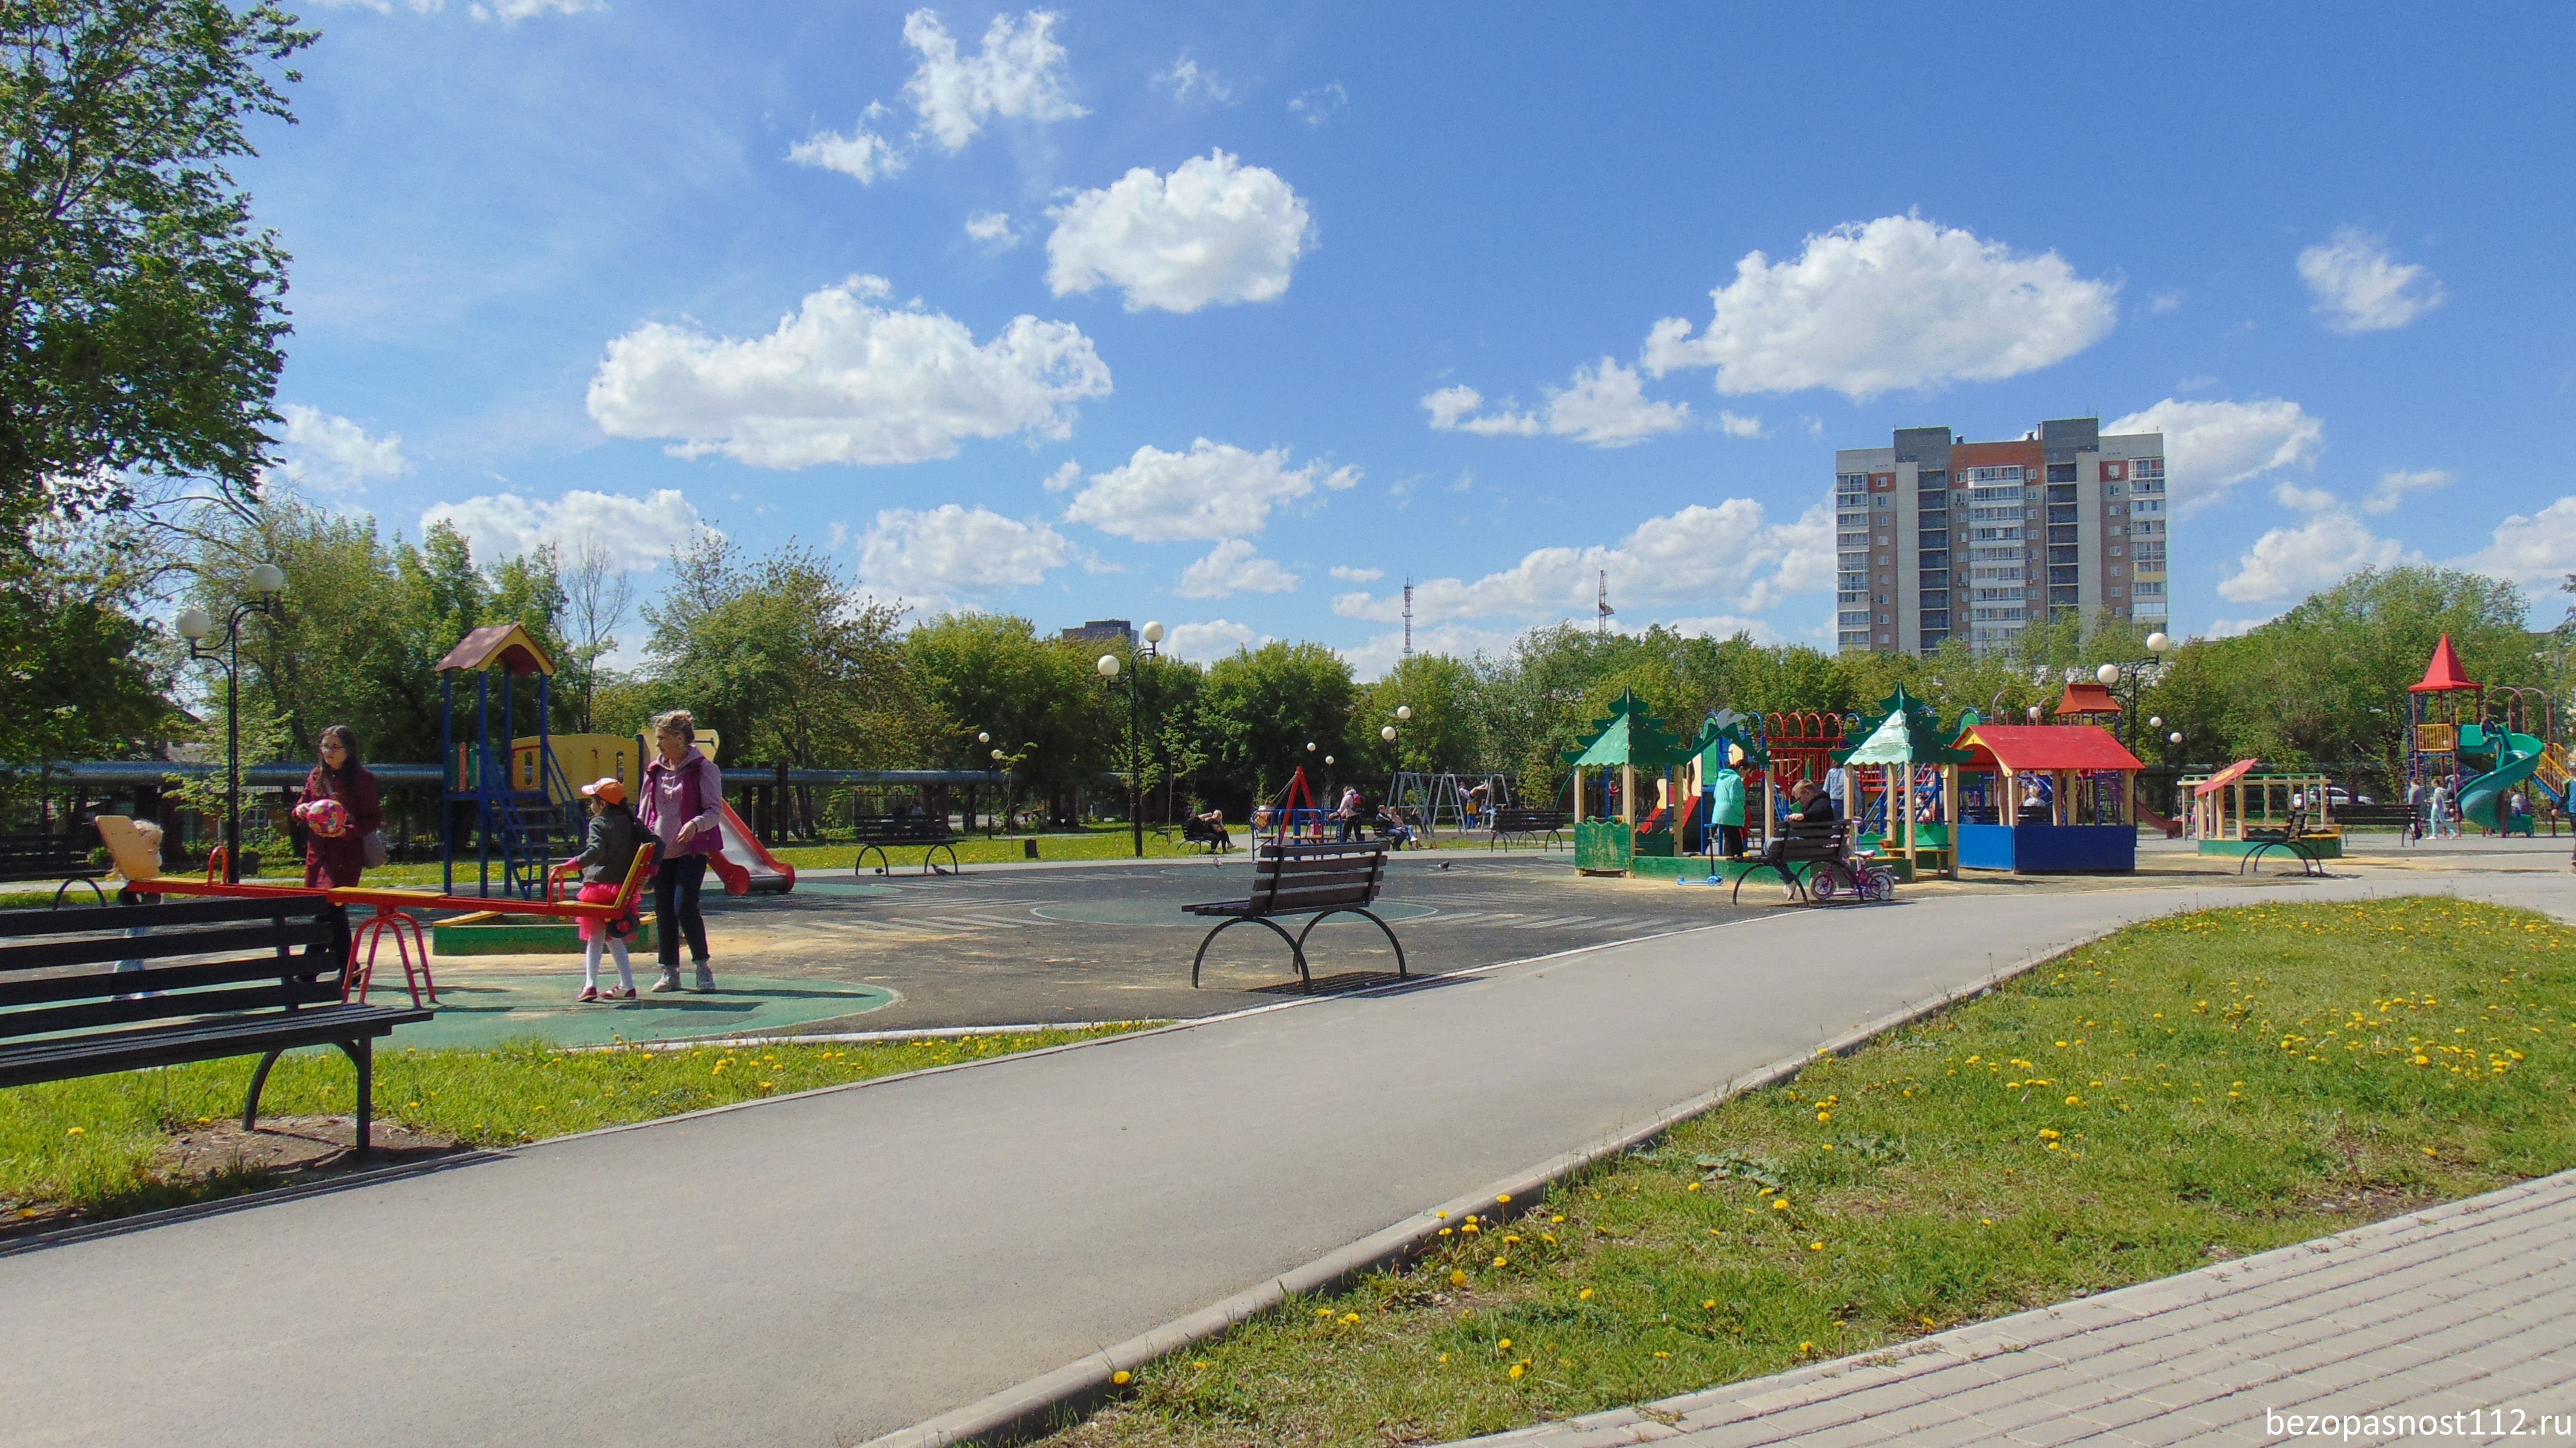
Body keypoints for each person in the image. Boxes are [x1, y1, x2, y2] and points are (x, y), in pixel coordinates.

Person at [638, 710, 722, 992]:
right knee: (663, 911)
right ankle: (669, 972)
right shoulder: (655, 771)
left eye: (662, 738)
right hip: (661, 851)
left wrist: (696, 825)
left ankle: (703, 968)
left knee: (684, 907)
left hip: (691, 850)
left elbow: (714, 810)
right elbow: (644, 813)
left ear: (678, 738)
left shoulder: (704, 768)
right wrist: (641, 844)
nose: (658, 744)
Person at [569, 778, 645, 1002]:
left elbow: (596, 851)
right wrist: (650, 870)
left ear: (602, 804)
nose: (590, 806)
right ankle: (627, 985)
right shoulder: (633, 824)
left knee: (595, 936)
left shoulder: (599, 823)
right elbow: (657, 843)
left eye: (592, 801)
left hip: (599, 889)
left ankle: (590, 984)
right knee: (611, 936)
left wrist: (571, 865)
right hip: (622, 890)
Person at [295, 725, 380, 889]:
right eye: (325, 746)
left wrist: (346, 832)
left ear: (348, 750)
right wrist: (301, 810)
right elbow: (300, 806)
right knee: (312, 901)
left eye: (335, 747)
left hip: (345, 856)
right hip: (317, 854)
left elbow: (372, 819)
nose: (329, 752)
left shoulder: (362, 779)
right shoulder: (316, 775)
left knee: (335, 901)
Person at [1708, 763, 1747, 858]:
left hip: (1719, 812)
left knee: (1729, 839)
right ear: (1741, 769)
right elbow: (1735, 799)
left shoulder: (1721, 778)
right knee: (1735, 843)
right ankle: (1733, 863)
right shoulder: (1736, 779)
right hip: (1731, 814)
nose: (1746, 775)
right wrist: (1742, 813)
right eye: (1746, 772)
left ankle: (1728, 860)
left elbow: (1715, 795)